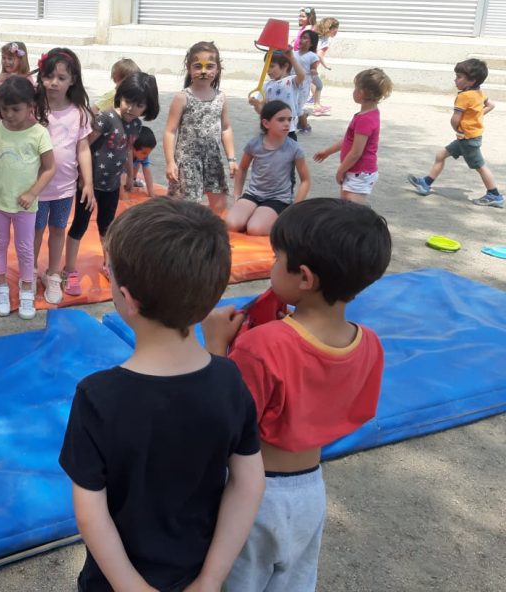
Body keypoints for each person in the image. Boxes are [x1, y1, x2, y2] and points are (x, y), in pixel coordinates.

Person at [60, 198, 264, 592]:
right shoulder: (228, 379)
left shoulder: (97, 397)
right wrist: (210, 579)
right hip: (196, 574)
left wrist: (130, 586)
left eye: (108, 270)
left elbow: (90, 511)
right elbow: (249, 483)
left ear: (128, 298)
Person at [204, 198, 391, 591]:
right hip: (310, 491)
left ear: (304, 277)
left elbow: (221, 420)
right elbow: (355, 408)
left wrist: (216, 345)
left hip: (252, 495)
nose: (272, 265)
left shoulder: (263, 346)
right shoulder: (369, 343)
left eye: (277, 258)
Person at [63, 74, 159, 297]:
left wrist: (129, 175)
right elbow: (84, 146)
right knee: (80, 225)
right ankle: (69, 270)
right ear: (120, 96)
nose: (131, 108)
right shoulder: (106, 118)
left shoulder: (135, 125)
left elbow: (127, 149)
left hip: (112, 185)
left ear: (147, 107)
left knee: (107, 227)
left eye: (139, 105)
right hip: (90, 184)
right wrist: (83, 178)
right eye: (127, 101)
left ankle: (108, 264)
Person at [0, 75, 55, 319]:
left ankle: (27, 289)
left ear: (30, 106)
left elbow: (49, 168)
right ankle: (1, 286)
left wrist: (32, 193)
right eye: (4, 109)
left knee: (25, 248)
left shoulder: (39, 133)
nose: (9, 114)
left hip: (25, 206)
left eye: (15, 109)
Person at [33, 48, 93, 306]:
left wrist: (88, 182)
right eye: (48, 76)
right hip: (36, 188)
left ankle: (53, 273)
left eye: (61, 78)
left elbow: (83, 148)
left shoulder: (79, 112)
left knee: (58, 229)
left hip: (64, 188)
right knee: (35, 230)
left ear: (72, 80)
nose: (54, 83)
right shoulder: (34, 108)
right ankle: (29, 272)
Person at [408, 58, 502, 207]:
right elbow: (491, 105)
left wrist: (458, 129)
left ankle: (494, 194)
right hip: (470, 137)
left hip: (467, 139)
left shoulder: (463, 96)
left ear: (471, 81)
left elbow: (455, 119)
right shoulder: (478, 93)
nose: (455, 80)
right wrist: (477, 117)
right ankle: (426, 183)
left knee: (480, 166)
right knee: (441, 155)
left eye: (459, 77)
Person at [165, 41, 237, 212]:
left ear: (218, 69)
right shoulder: (182, 97)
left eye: (209, 66)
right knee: (186, 208)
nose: (204, 71)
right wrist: (170, 162)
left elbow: (226, 128)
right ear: (189, 69)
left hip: (213, 159)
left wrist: (232, 158)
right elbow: (170, 131)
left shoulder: (221, 97)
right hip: (188, 161)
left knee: (220, 205)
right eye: (198, 66)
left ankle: (211, 229)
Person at [227, 101, 311, 236]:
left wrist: (294, 208)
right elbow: (242, 169)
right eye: (281, 120)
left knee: (255, 229)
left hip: (278, 199)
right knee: (231, 224)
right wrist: (237, 195)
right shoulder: (254, 144)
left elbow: (305, 180)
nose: (287, 124)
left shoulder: (294, 148)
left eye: (289, 119)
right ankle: (258, 214)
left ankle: (276, 218)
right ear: (266, 123)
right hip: (253, 194)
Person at [314, 68, 393, 203]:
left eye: (355, 88)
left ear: (361, 93)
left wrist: (341, 170)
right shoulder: (368, 114)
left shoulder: (365, 119)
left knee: (352, 204)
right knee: (346, 201)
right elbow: (348, 141)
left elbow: (356, 152)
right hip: (357, 170)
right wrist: (328, 151)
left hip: (359, 171)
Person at [251, 50, 306, 141]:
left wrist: (291, 58)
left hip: (288, 131)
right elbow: (262, 112)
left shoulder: (291, 81)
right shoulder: (266, 86)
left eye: (272, 66)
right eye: (266, 66)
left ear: (285, 66)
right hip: (271, 131)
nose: (268, 70)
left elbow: (302, 75)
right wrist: (256, 105)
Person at [293, 30, 321, 134]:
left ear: (312, 43)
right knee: (292, 105)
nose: (301, 40)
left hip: (303, 86)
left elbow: (314, 68)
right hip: (292, 84)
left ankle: (305, 126)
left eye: (305, 38)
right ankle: (301, 120)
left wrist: (313, 71)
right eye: (301, 37)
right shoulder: (293, 54)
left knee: (298, 107)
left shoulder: (312, 56)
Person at [313, 17, 340, 115]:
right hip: (309, 67)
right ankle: (316, 107)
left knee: (312, 85)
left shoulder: (317, 36)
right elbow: (319, 54)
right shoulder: (325, 40)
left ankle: (317, 105)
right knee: (319, 85)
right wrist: (325, 65)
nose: (337, 31)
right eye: (335, 28)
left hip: (306, 65)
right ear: (329, 29)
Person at [129, 125, 156, 196]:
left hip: (130, 170)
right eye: (144, 153)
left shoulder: (143, 156)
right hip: (116, 175)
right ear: (132, 147)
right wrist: (124, 198)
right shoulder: (123, 155)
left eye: (148, 153)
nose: (146, 156)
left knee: (139, 161)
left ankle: (133, 179)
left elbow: (147, 172)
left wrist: (151, 193)